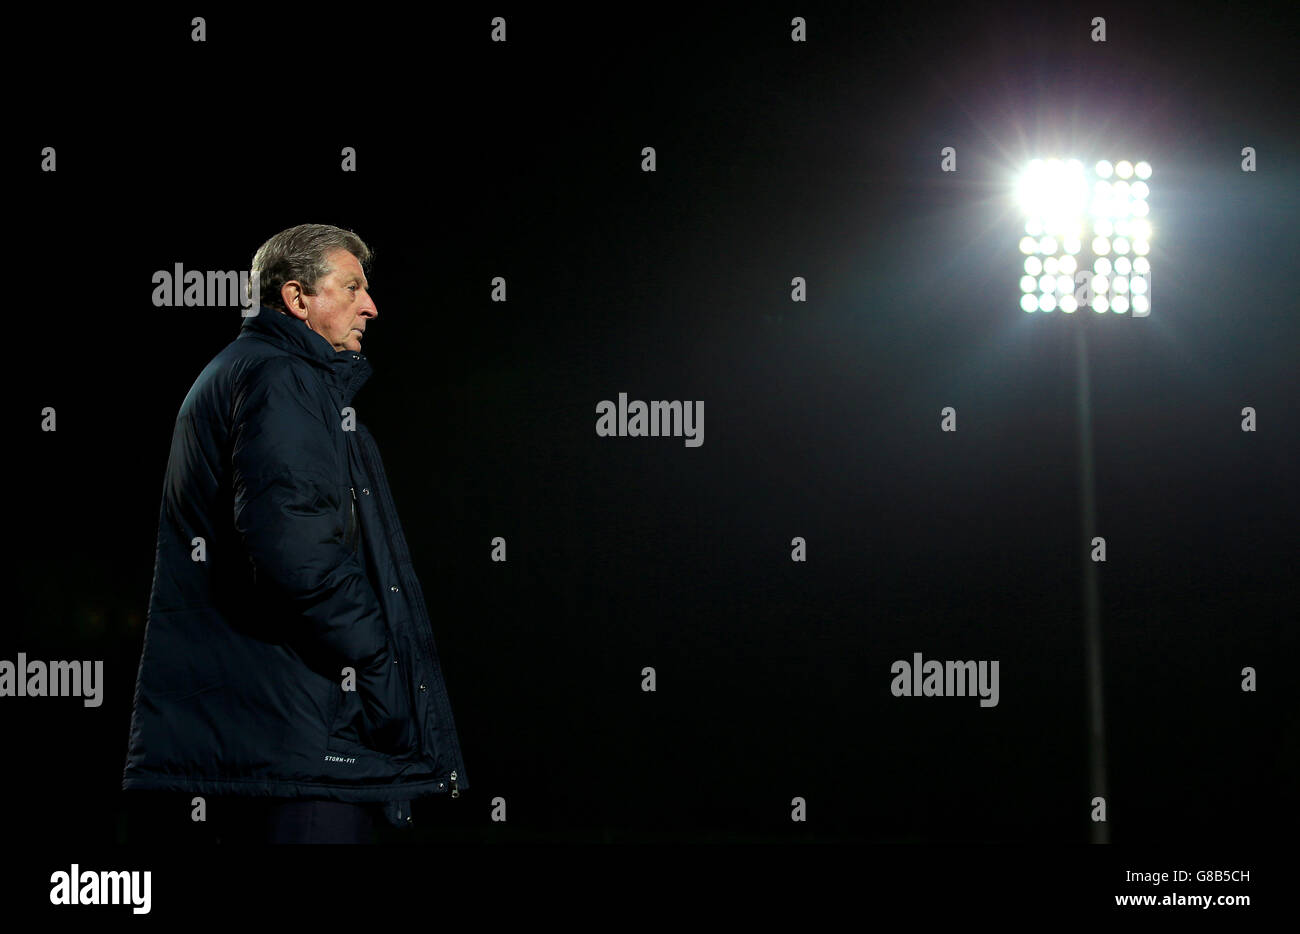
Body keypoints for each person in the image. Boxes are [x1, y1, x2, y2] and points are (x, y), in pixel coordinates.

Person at [122, 224, 468, 843]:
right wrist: (382, 671)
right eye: (353, 286)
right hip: (307, 739)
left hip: (273, 730)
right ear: (297, 298)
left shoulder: (253, 373)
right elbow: (297, 552)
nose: (371, 305)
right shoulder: (282, 378)